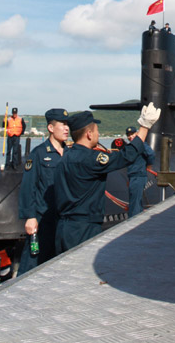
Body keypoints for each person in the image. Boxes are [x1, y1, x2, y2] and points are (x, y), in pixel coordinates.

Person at [54, 104, 161, 252]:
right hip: (84, 229)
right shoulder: (91, 159)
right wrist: (145, 126)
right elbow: (127, 156)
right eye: (97, 131)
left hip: (63, 228)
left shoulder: (64, 158)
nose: (98, 134)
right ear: (89, 134)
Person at [17, 108, 71, 276]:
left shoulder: (69, 154)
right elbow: (28, 187)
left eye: (67, 124)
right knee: (33, 264)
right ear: (50, 128)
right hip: (43, 220)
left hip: (63, 220)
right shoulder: (38, 154)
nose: (66, 128)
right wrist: (30, 217)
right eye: (62, 124)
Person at [125, 125, 156, 217]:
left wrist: (149, 166)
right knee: (136, 202)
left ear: (137, 133)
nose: (130, 136)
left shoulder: (141, 144)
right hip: (133, 176)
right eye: (128, 135)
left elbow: (151, 154)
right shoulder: (131, 146)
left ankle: (131, 225)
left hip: (138, 176)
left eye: (132, 134)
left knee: (134, 204)